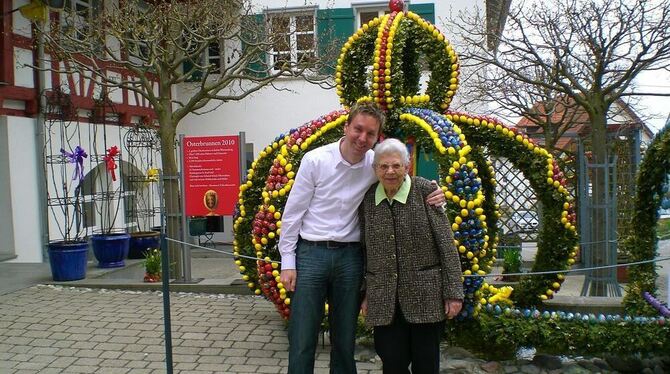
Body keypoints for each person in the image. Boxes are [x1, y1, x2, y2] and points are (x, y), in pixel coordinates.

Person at [278, 102, 445, 374]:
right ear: (346, 127)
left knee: (344, 339)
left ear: (377, 137)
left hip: (350, 257)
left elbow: (405, 183)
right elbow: (293, 213)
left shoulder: (375, 164)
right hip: (311, 254)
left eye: (370, 133)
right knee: (302, 336)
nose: (362, 138)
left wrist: (436, 195)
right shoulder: (316, 160)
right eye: (358, 129)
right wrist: (288, 260)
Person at [358, 138, 464, 374]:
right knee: (391, 362)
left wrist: (453, 293)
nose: (390, 171)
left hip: (426, 297)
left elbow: (446, 246)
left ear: (407, 165)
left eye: (396, 165)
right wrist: (365, 293)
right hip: (383, 298)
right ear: (376, 169)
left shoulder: (426, 191)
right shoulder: (367, 200)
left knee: (426, 365)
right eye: (383, 166)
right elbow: (364, 250)